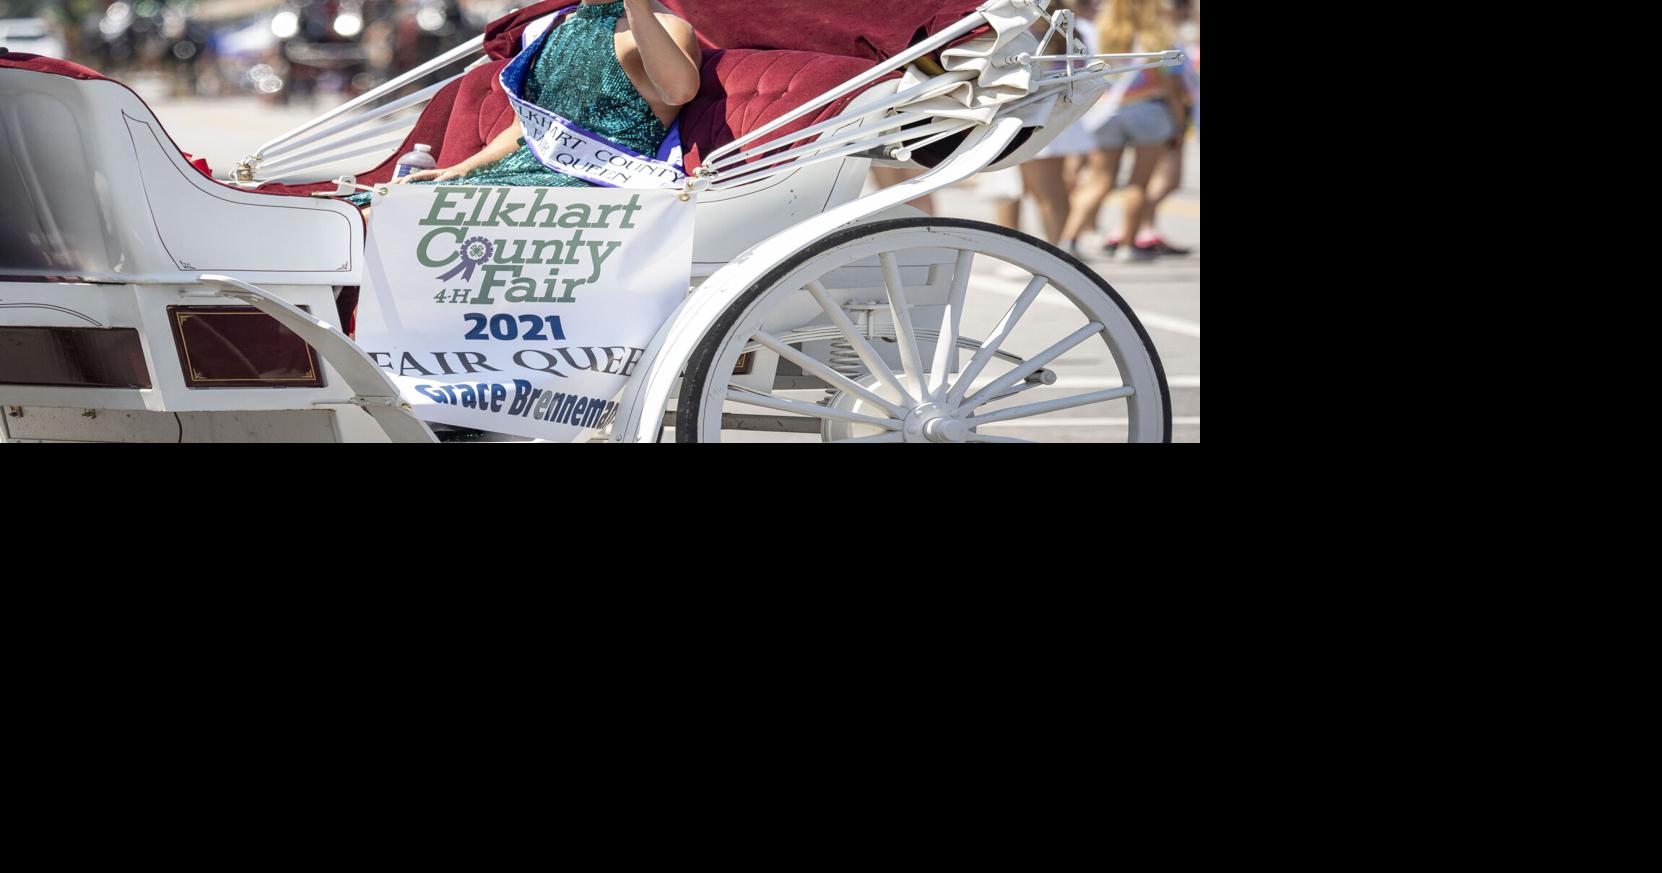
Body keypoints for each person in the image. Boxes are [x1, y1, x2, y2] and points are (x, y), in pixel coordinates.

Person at [353, 0, 700, 204]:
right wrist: (460, 168)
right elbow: (525, 129)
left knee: (395, 213)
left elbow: (679, 91)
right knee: (382, 205)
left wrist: (635, 4)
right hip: (525, 171)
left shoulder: (665, 27)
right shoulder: (553, 27)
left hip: (598, 184)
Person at [1058, 0, 1186, 262]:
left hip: (1107, 113)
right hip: (1147, 111)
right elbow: (1171, 88)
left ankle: (1068, 239)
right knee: (1138, 182)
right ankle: (1128, 245)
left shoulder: (1101, 36)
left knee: (1100, 179)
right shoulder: (1158, 38)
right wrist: (1179, 125)